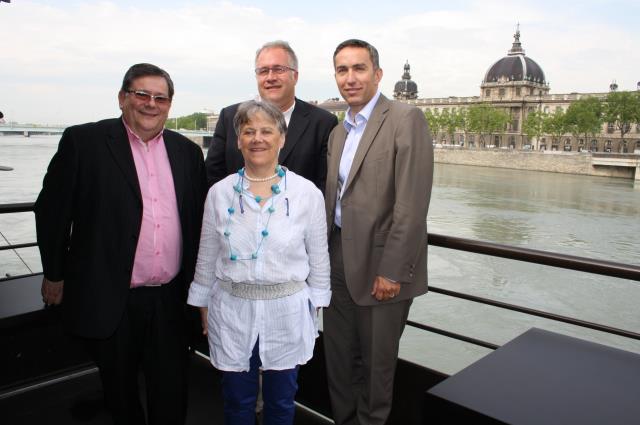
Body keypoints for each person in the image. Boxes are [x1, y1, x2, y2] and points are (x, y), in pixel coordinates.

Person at [35, 63, 208, 425]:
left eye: (160, 97)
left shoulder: (187, 154)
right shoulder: (84, 143)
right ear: (122, 98)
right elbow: (52, 212)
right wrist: (54, 273)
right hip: (112, 296)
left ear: (169, 105)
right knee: (120, 391)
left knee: (171, 389)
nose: (150, 104)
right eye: (141, 94)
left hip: (170, 299)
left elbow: (198, 224)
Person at [188, 100, 330, 425]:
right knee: (237, 401)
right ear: (238, 140)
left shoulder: (307, 194)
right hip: (232, 310)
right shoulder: (220, 194)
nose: (257, 138)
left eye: (267, 131)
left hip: (287, 312)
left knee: (281, 403)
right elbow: (207, 254)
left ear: (282, 138)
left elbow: (319, 256)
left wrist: (316, 304)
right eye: (248, 131)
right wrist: (202, 302)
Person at [323, 39, 434, 425]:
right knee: (338, 363)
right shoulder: (340, 132)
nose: (350, 78)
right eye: (342, 70)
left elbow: (412, 205)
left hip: (380, 268)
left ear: (378, 74)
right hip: (337, 261)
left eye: (358, 68)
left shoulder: (405, 119)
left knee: (375, 372)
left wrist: (392, 269)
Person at [205, 40, 337, 191]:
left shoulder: (323, 123)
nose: (270, 77)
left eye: (278, 69)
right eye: (263, 71)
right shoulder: (230, 117)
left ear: (295, 76)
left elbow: (324, 184)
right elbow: (212, 177)